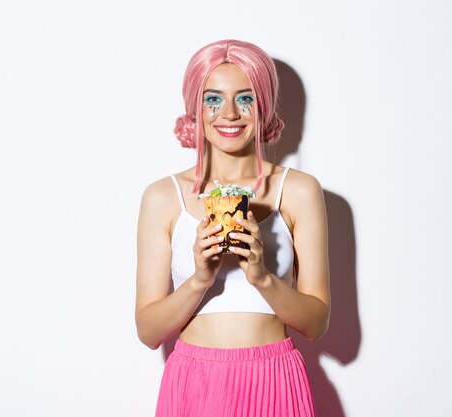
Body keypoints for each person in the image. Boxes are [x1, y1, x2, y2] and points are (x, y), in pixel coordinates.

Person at [135, 39, 330, 417]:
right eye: (213, 99)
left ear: (264, 106)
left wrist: (261, 275)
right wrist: (199, 278)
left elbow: (316, 323)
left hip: (274, 380)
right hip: (194, 383)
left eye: (246, 98)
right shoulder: (163, 197)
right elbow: (148, 331)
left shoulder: (300, 191)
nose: (229, 114)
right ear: (195, 107)